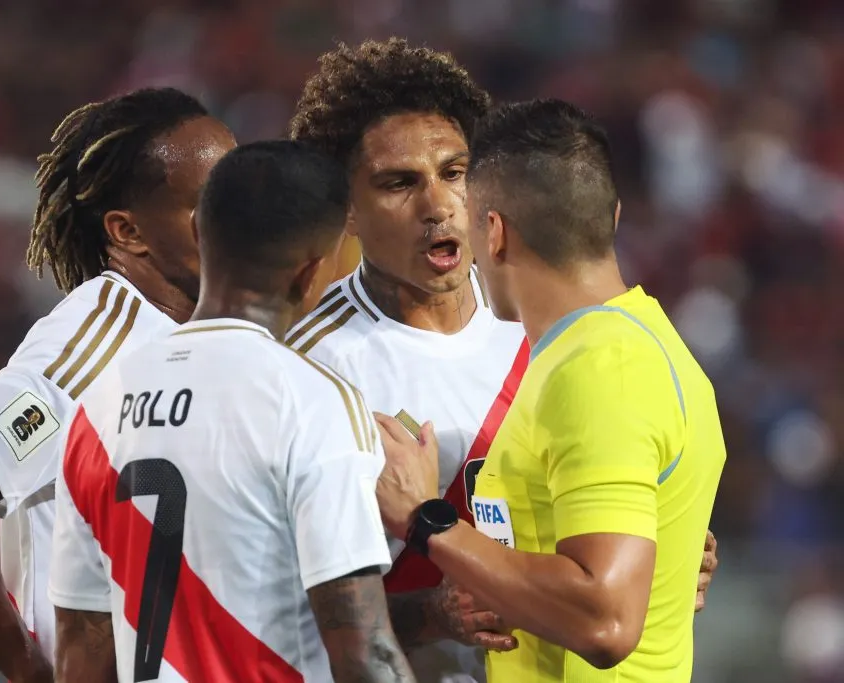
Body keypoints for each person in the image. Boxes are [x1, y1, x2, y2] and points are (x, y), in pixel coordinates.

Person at [287, 38, 719, 683]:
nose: (438, 205)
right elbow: (271, 613)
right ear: (345, 209)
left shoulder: (552, 328)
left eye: (455, 173)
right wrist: (432, 613)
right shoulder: (308, 371)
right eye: (399, 183)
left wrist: (659, 554)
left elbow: (601, 577)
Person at [0, 87, 236, 683]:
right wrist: (25, 667)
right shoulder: (99, 344)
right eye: (209, 203)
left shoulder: (212, 336)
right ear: (128, 232)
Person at [49, 140, 415, 683]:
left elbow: (81, 648)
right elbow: (365, 651)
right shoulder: (311, 401)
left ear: (200, 232)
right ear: (312, 271)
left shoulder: (96, 408)